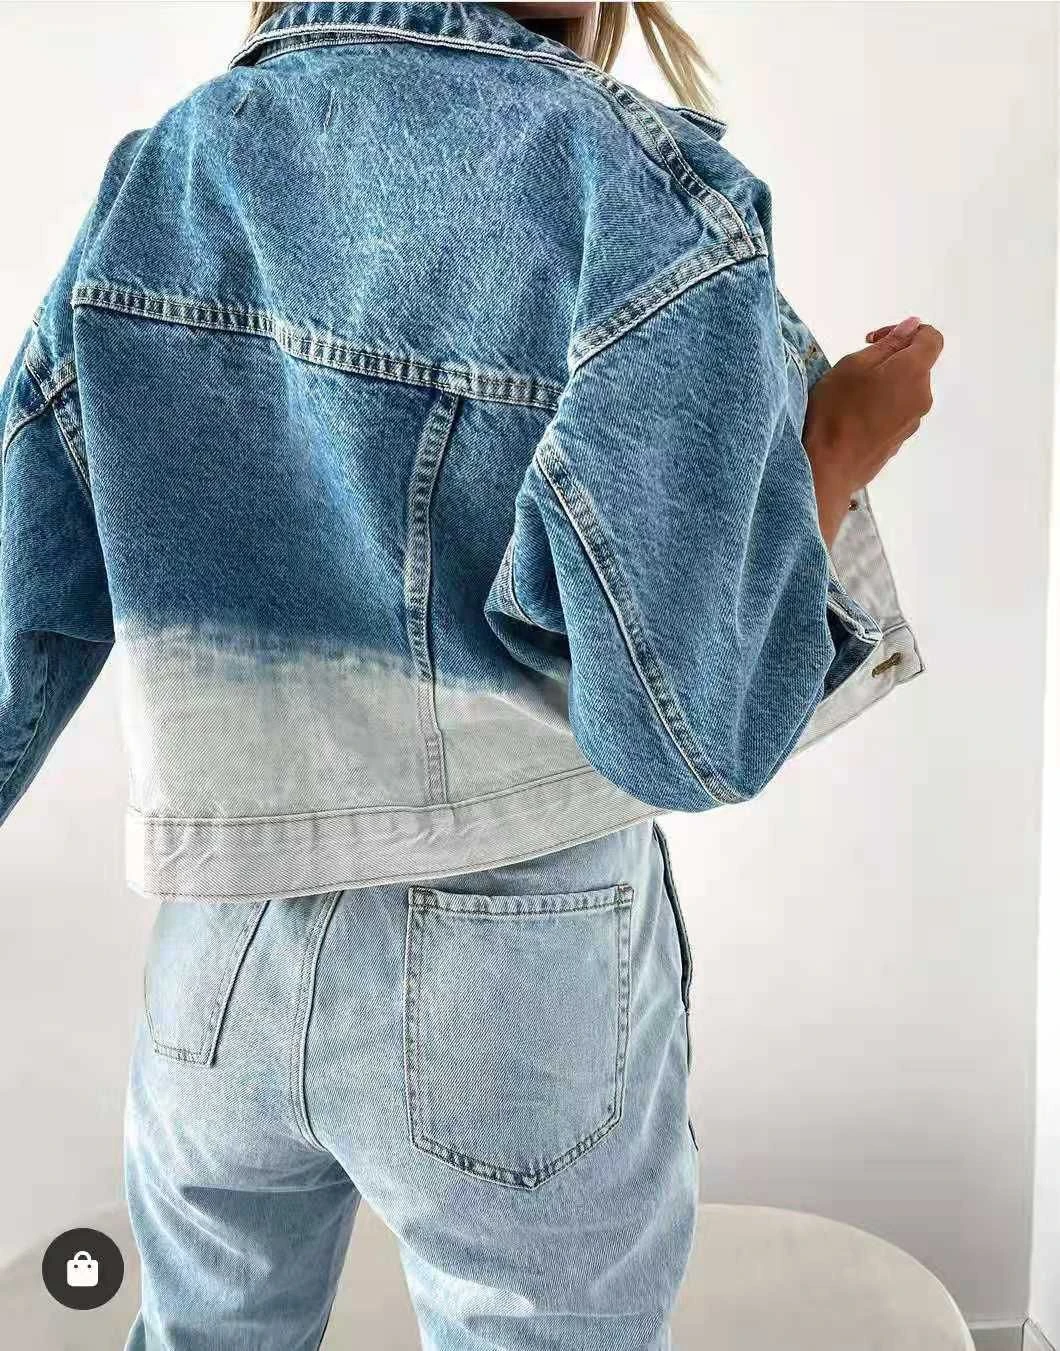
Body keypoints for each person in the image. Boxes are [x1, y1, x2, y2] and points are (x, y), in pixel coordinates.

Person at [0, 2, 941, 1345]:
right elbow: (688, 727)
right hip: (512, 962)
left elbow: (17, 616)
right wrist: (832, 449)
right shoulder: (635, 193)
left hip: (219, 963)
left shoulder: (168, 172)